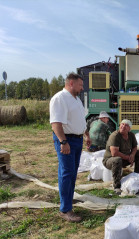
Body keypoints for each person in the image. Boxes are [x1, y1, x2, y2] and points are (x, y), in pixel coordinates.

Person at [50, 73, 91, 223]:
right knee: (67, 173)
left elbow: (80, 119)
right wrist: (63, 142)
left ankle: (68, 201)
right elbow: (56, 124)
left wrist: (86, 134)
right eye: (80, 85)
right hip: (67, 140)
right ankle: (65, 210)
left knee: (72, 173)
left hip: (77, 140)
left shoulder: (76, 100)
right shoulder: (60, 98)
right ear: (71, 83)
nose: (82, 87)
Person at [102, 119, 139, 194]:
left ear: (129, 129)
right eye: (122, 124)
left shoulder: (131, 135)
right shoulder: (115, 135)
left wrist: (132, 155)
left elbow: (135, 147)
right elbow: (114, 153)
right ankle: (117, 186)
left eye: (126, 125)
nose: (123, 126)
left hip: (124, 158)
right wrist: (129, 158)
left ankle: (136, 176)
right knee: (117, 159)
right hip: (110, 160)